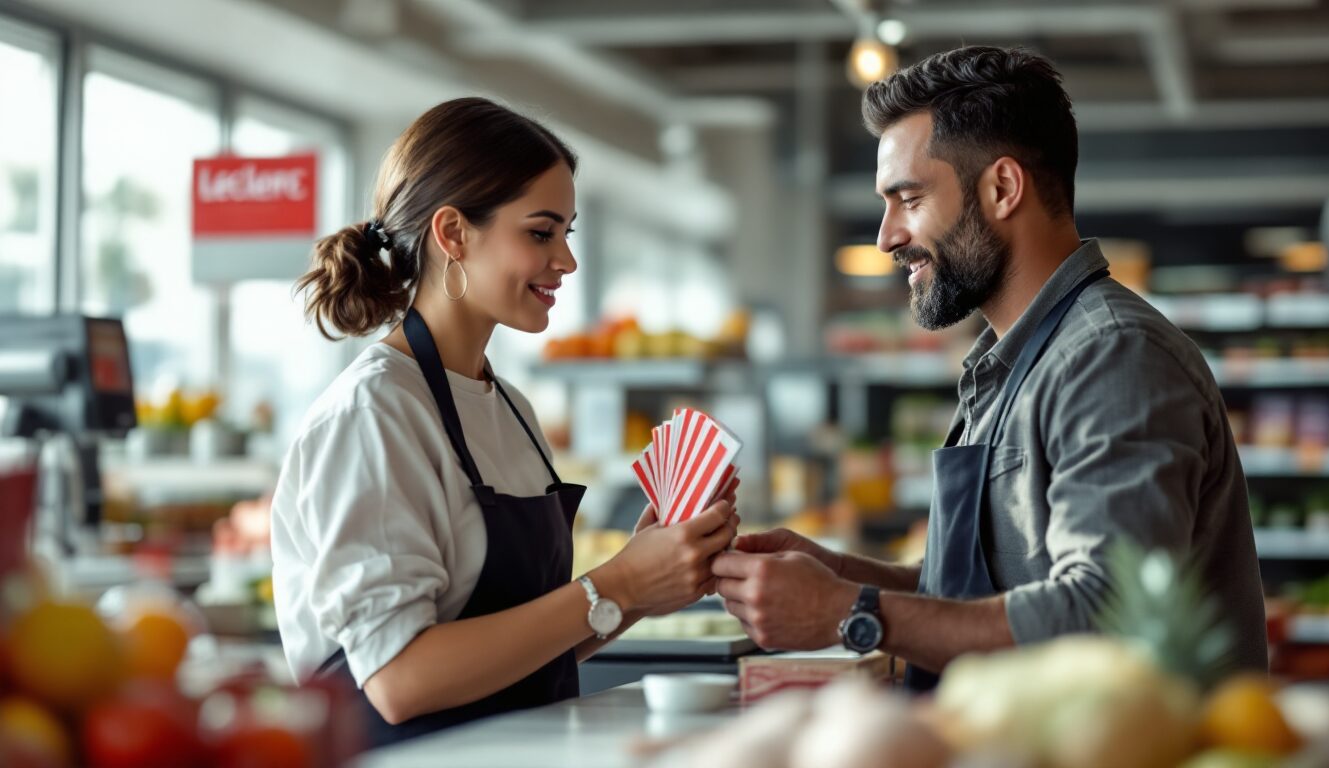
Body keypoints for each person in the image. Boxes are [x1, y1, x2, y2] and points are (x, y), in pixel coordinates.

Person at [712, 46, 1266, 689]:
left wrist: (848, 612)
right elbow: (993, 592)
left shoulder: (1111, 355)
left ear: (1002, 188)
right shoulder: (1013, 362)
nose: (886, 237)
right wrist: (839, 576)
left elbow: (1104, 616)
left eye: (909, 198)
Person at [270, 97, 739, 746]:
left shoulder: (511, 406)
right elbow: (399, 679)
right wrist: (620, 581)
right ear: (453, 234)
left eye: (567, 234)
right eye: (541, 233)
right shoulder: (374, 414)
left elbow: (525, 653)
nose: (567, 261)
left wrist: (641, 588)